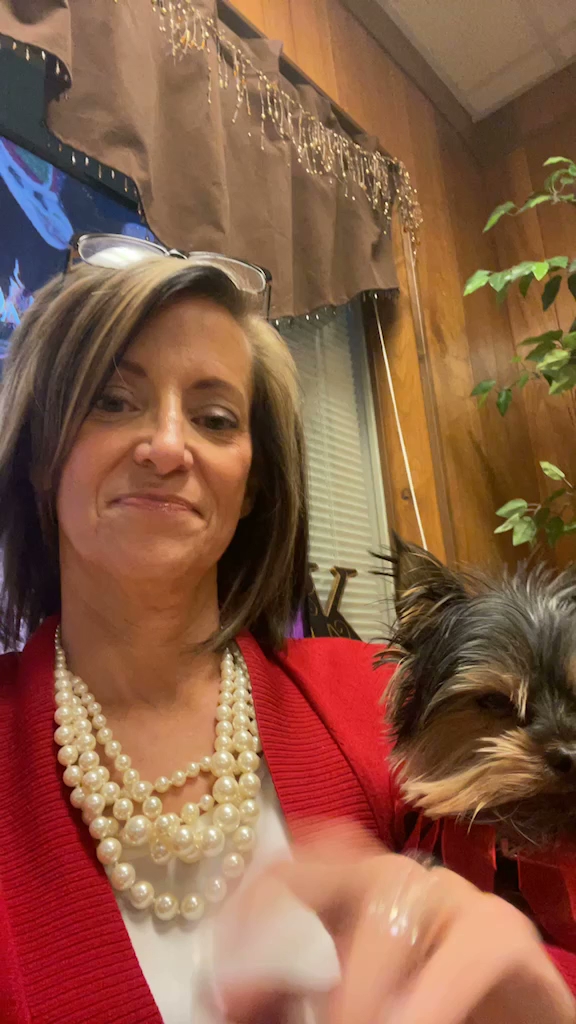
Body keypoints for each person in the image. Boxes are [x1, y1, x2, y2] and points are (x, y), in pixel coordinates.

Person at [0, 242, 573, 1024]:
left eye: (214, 418)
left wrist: (532, 978)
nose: (166, 446)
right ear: (41, 452)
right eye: (111, 401)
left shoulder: (385, 703)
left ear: (253, 481)